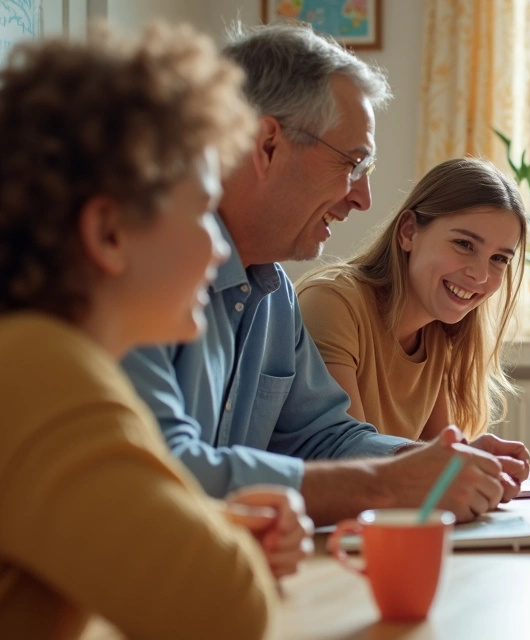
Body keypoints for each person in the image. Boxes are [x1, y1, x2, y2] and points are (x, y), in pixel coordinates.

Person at [120, 23, 520, 525]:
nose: (363, 198)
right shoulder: (137, 275)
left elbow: (321, 434)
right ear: (267, 145)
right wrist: (390, 482)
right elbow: (159, 471)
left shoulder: (274, 295)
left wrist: (423, 463)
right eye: (352, 164)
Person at [0, 22, 311, 638]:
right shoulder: (42, 370)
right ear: (109, 233)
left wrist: (213, 523)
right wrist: (225, 538)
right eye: (201, 210)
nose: (214, 245)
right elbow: (226, 610)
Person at [296, 158, 528, 452]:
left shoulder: (437, 334)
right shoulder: (332, 302)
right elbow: (345, 454)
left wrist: (477, 464)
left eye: (499, 259)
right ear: (408, 232)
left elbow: (439, 460)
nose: (480, 275)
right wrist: (457, 462)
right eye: (464, 244)